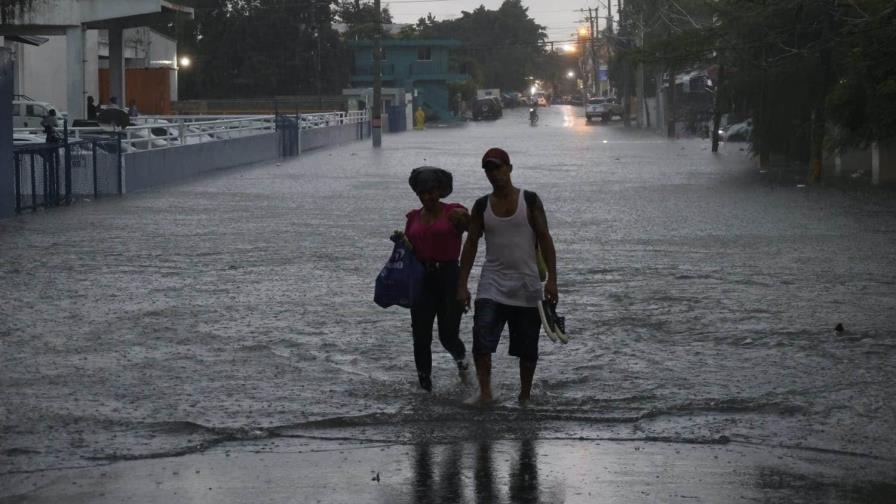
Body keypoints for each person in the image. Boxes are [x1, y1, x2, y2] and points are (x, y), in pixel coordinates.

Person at [457, 147, 558, 405]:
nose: (494, 174)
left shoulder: (530, 200)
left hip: (527, 286)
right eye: (489, 170)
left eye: (498, 168)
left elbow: (545, 239)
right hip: (492, 285)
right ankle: (486, 393)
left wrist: (553, 281)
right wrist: (462, 284)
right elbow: (470, 245)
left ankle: (524, 395)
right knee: (481, 340)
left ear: (509, 168)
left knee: (527, 350)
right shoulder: (481, 206)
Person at [403, 166, 471, 391]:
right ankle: (425, 387)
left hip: (449, 278)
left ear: (441, 191)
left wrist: (465, 219)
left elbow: (473, 229)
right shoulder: (412, 218)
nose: (427, 197)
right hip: (422, 280)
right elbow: (411, 249)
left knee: (447, 335)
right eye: (422, 193)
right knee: (420, 337)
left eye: (431, 191)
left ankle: (463, 364)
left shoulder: (453, 211)